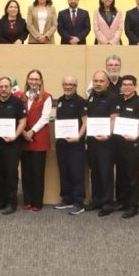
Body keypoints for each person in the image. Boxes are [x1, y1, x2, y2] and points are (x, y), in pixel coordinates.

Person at [0, 76, 27, 214]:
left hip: (12, 145)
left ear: (10, 88)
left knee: (11, 174)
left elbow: (23, 122)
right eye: (1, 86)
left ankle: (11, 203)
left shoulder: (17, 102)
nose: (3, 89)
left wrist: (15, 135)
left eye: (6, 86)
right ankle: (0, 201)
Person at [52, 75, 87, 215]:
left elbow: (85, 122)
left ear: (75, 86)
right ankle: (67, 199)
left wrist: (78, 136)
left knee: (76, 173)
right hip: (62, 143)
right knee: (64, 171)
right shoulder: (60, 100)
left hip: (75, 144)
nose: (68, 86)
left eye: (71, 84)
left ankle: (79, 202)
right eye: (65, 84)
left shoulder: (80, 101)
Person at [87, 70, 120, 216]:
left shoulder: (113, 98)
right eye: (96, 81)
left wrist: (108, 134)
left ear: (107, 83)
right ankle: (96, 200)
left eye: (101, 81)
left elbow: (114, 117)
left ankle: (107, 203)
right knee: (94, 172)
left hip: (107, 143)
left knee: (105, 172)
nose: (98, 84)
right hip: (92, 141)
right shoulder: (91, 97)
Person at [18, 69, 52, 210]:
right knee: (26, 172)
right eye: (31, 79)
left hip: (39, 138)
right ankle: (27, 200)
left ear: (40, 81)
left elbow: (45, 117)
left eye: (36, 79)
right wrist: (23, 132)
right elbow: (17, 115)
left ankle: (37, 202)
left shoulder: (46, 96)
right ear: (27, 80)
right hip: (23, 137)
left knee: (38, 172)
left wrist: (31, 131)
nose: (33, 81)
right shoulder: (20, 97)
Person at [114, 75, 139, 218]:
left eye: (129, 84)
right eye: (124, 84)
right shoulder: (118, 100)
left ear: (135, 86)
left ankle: (133, 205)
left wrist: (136, 136)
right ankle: (123, 202)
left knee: (132, 175)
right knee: (121, 174)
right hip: (118, 142)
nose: (126, 87)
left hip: (132, 143)